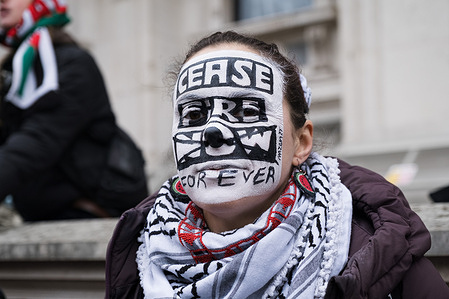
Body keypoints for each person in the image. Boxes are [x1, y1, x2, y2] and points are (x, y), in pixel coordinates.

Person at [105, 31, 449, 298]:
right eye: (194, 114)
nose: (212, 132)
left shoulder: (379, 254)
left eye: (247, 111)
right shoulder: (136, 255)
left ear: (301, 143)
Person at [0, 0, 148, 221]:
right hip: (41, 215)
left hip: (89, 213)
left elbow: (38, 142)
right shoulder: (14, 69)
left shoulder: (73, 63)